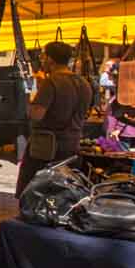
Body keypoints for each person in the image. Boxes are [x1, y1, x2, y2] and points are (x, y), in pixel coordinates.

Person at [16, 41, 94, 198]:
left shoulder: (52, 82)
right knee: (63, 189)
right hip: (72, 142)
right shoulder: (84, 83)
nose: (42, 60)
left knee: (36, 189)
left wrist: (28, 101)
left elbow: (36, 114)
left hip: (47, 146)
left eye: (43, 57)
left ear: (50, 59)